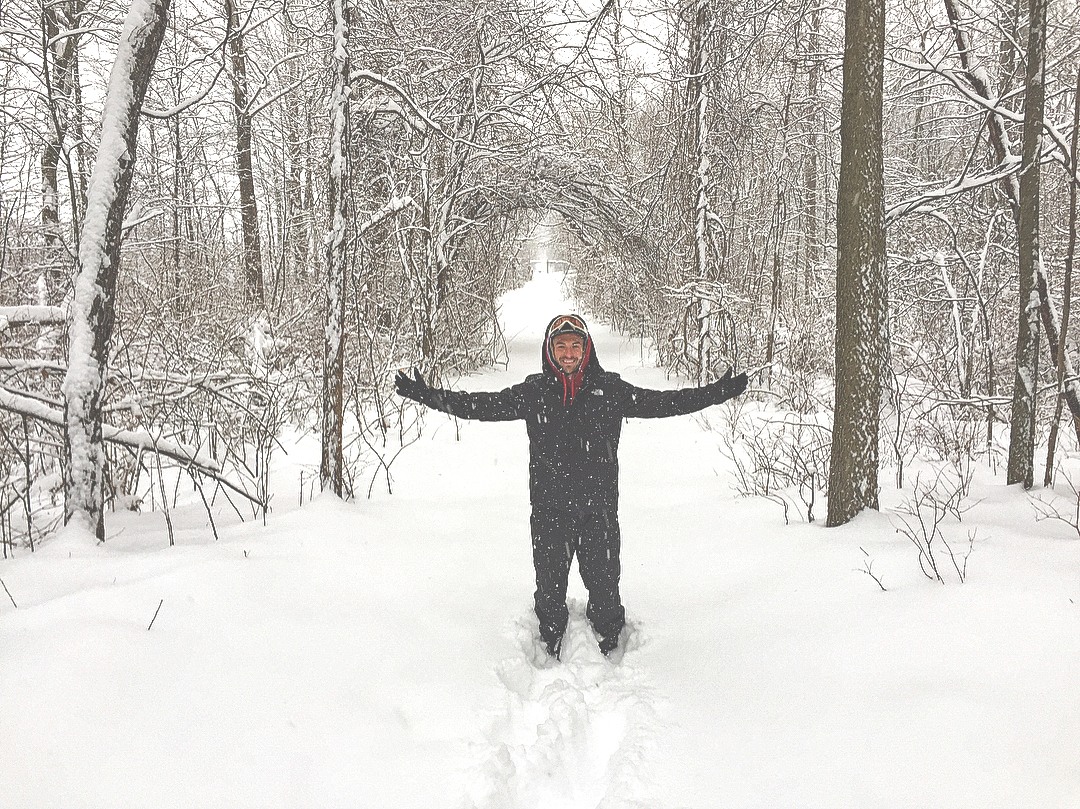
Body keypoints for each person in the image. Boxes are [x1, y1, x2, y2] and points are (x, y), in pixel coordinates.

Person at [395, 314, 747, 659]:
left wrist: (716, 393)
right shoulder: (534, 392)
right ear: (550, 350)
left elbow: (665, 403)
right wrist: (428, 396)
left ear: (586, 349)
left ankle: (610, 647)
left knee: (607, 598)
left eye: (574, 346)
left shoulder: (609, 390)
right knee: (549, 598)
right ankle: (549, 647)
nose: (568, 353)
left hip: (600, 514)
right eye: (560, 345)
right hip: (550, 512)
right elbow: (482, 405)